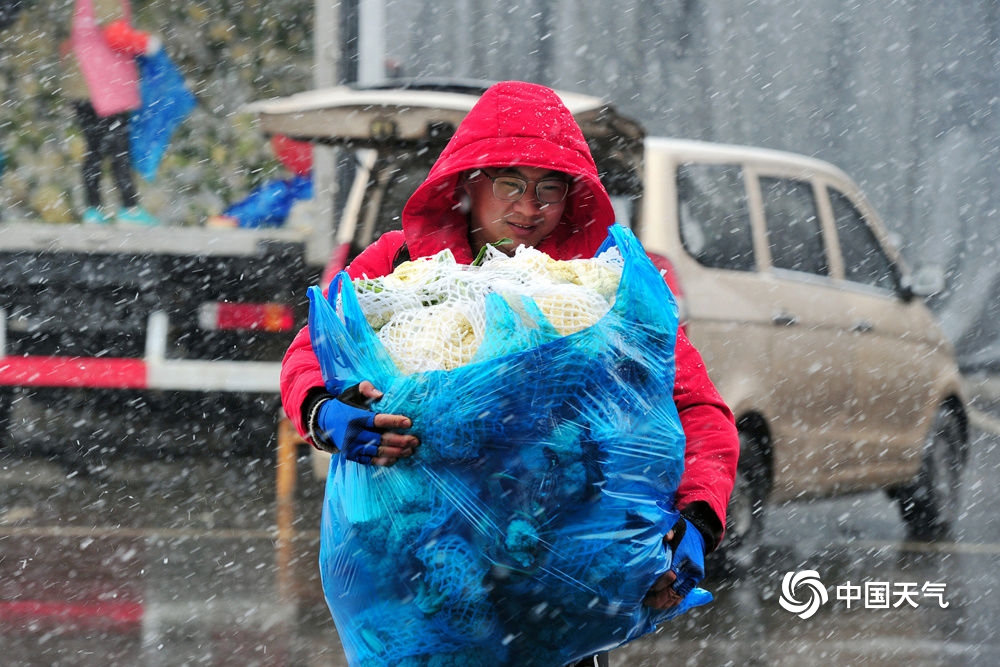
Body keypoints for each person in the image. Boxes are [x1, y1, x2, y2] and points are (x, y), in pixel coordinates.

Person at [279, 80, 740, 665]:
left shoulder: (599, 291)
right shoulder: (400, 265)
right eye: (511, 186)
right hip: (418, 568)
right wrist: (326, 411)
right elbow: (309, 355)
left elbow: (696, 408)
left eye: (550, 189)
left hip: (550, 573)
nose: (530, 209)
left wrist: (698, 517)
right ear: (470, 182)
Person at [61, 0, 160, 225]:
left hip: (80, 85)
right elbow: (115, 36)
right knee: (119, 149)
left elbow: (70, 42)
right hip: (104, 85)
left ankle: (93, 209)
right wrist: (146, 43)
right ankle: (130, 208)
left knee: (94, 148)